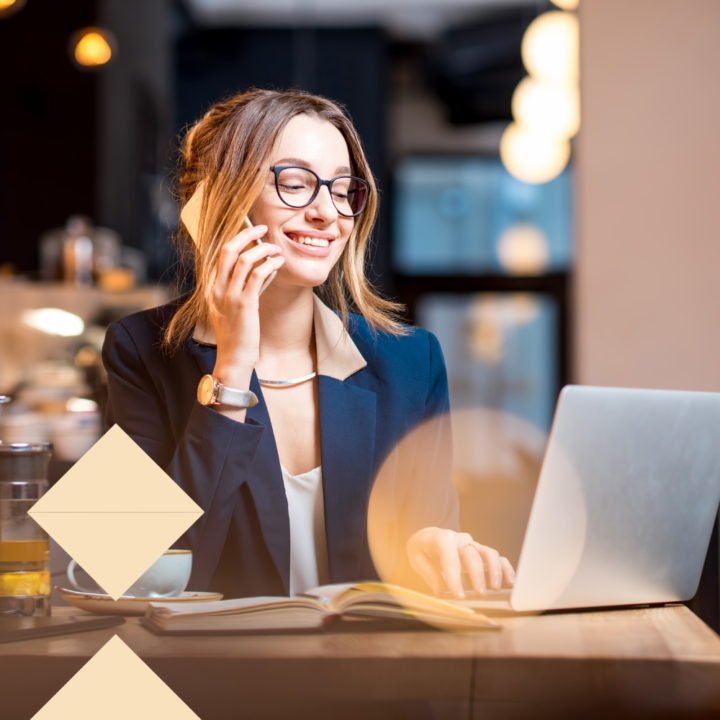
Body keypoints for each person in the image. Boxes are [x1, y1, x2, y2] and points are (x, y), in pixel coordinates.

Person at [102, 88, 515, 600]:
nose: (329, 213)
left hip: (369, 675)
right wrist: (232, 367)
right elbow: (128, 574)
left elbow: (426, 549)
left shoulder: (412, 360)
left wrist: (431, 547)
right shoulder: (136, 350)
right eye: (295, 184)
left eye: (343, 190)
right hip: (213, 677)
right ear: (215, 203)